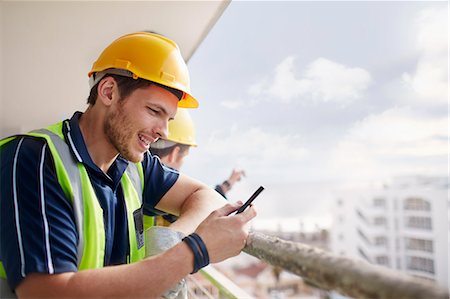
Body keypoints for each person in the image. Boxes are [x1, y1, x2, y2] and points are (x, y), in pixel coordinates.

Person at [0, 32, 256, 298]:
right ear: (108, 92)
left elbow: (208, 198)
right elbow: (47, 293)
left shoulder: (134, 166)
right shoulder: (33, 158)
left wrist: (171, 240)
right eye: (154, 111)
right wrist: (193, 252)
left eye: (169, 118)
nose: (164, 132)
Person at [149, 108, 246, 199]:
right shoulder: (163, 197)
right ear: (175, 153)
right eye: (184, 156)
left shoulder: (138, 178)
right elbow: (199, 201)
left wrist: (228, 183)